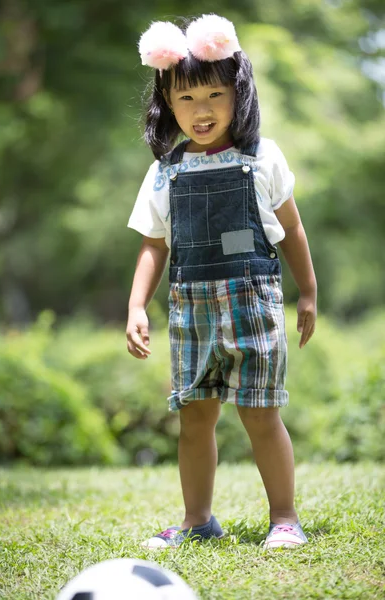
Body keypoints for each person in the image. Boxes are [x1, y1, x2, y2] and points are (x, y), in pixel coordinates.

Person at [126, 14, 317, 549]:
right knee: (194, 417)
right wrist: (137, 305)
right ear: (167, 102)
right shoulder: (165, 169)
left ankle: (284, 517)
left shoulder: (263, 157)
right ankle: (197, 521)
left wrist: (307, 290)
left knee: (260, 413)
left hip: (252, 304)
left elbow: (293, 229)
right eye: (186, 98)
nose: (202, 109)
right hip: (191, 312)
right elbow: (153, 244)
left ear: (241, 94)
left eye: (215, 93)